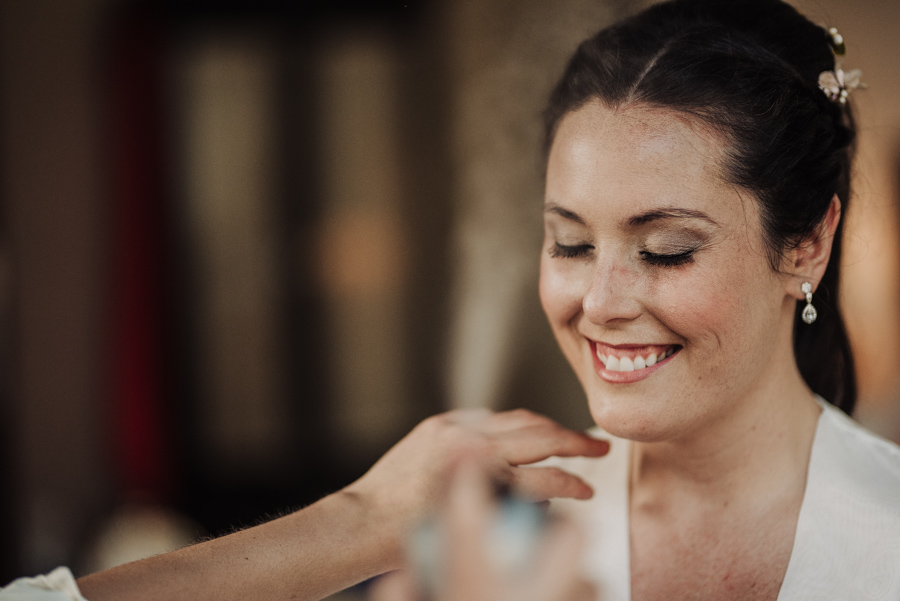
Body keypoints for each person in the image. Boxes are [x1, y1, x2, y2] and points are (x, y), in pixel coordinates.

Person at [5, 0, 900, 599]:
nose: (599, 300)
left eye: (666, 249)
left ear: (807, 243)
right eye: (570, 242)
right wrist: (360, 525)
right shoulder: (499, 531)